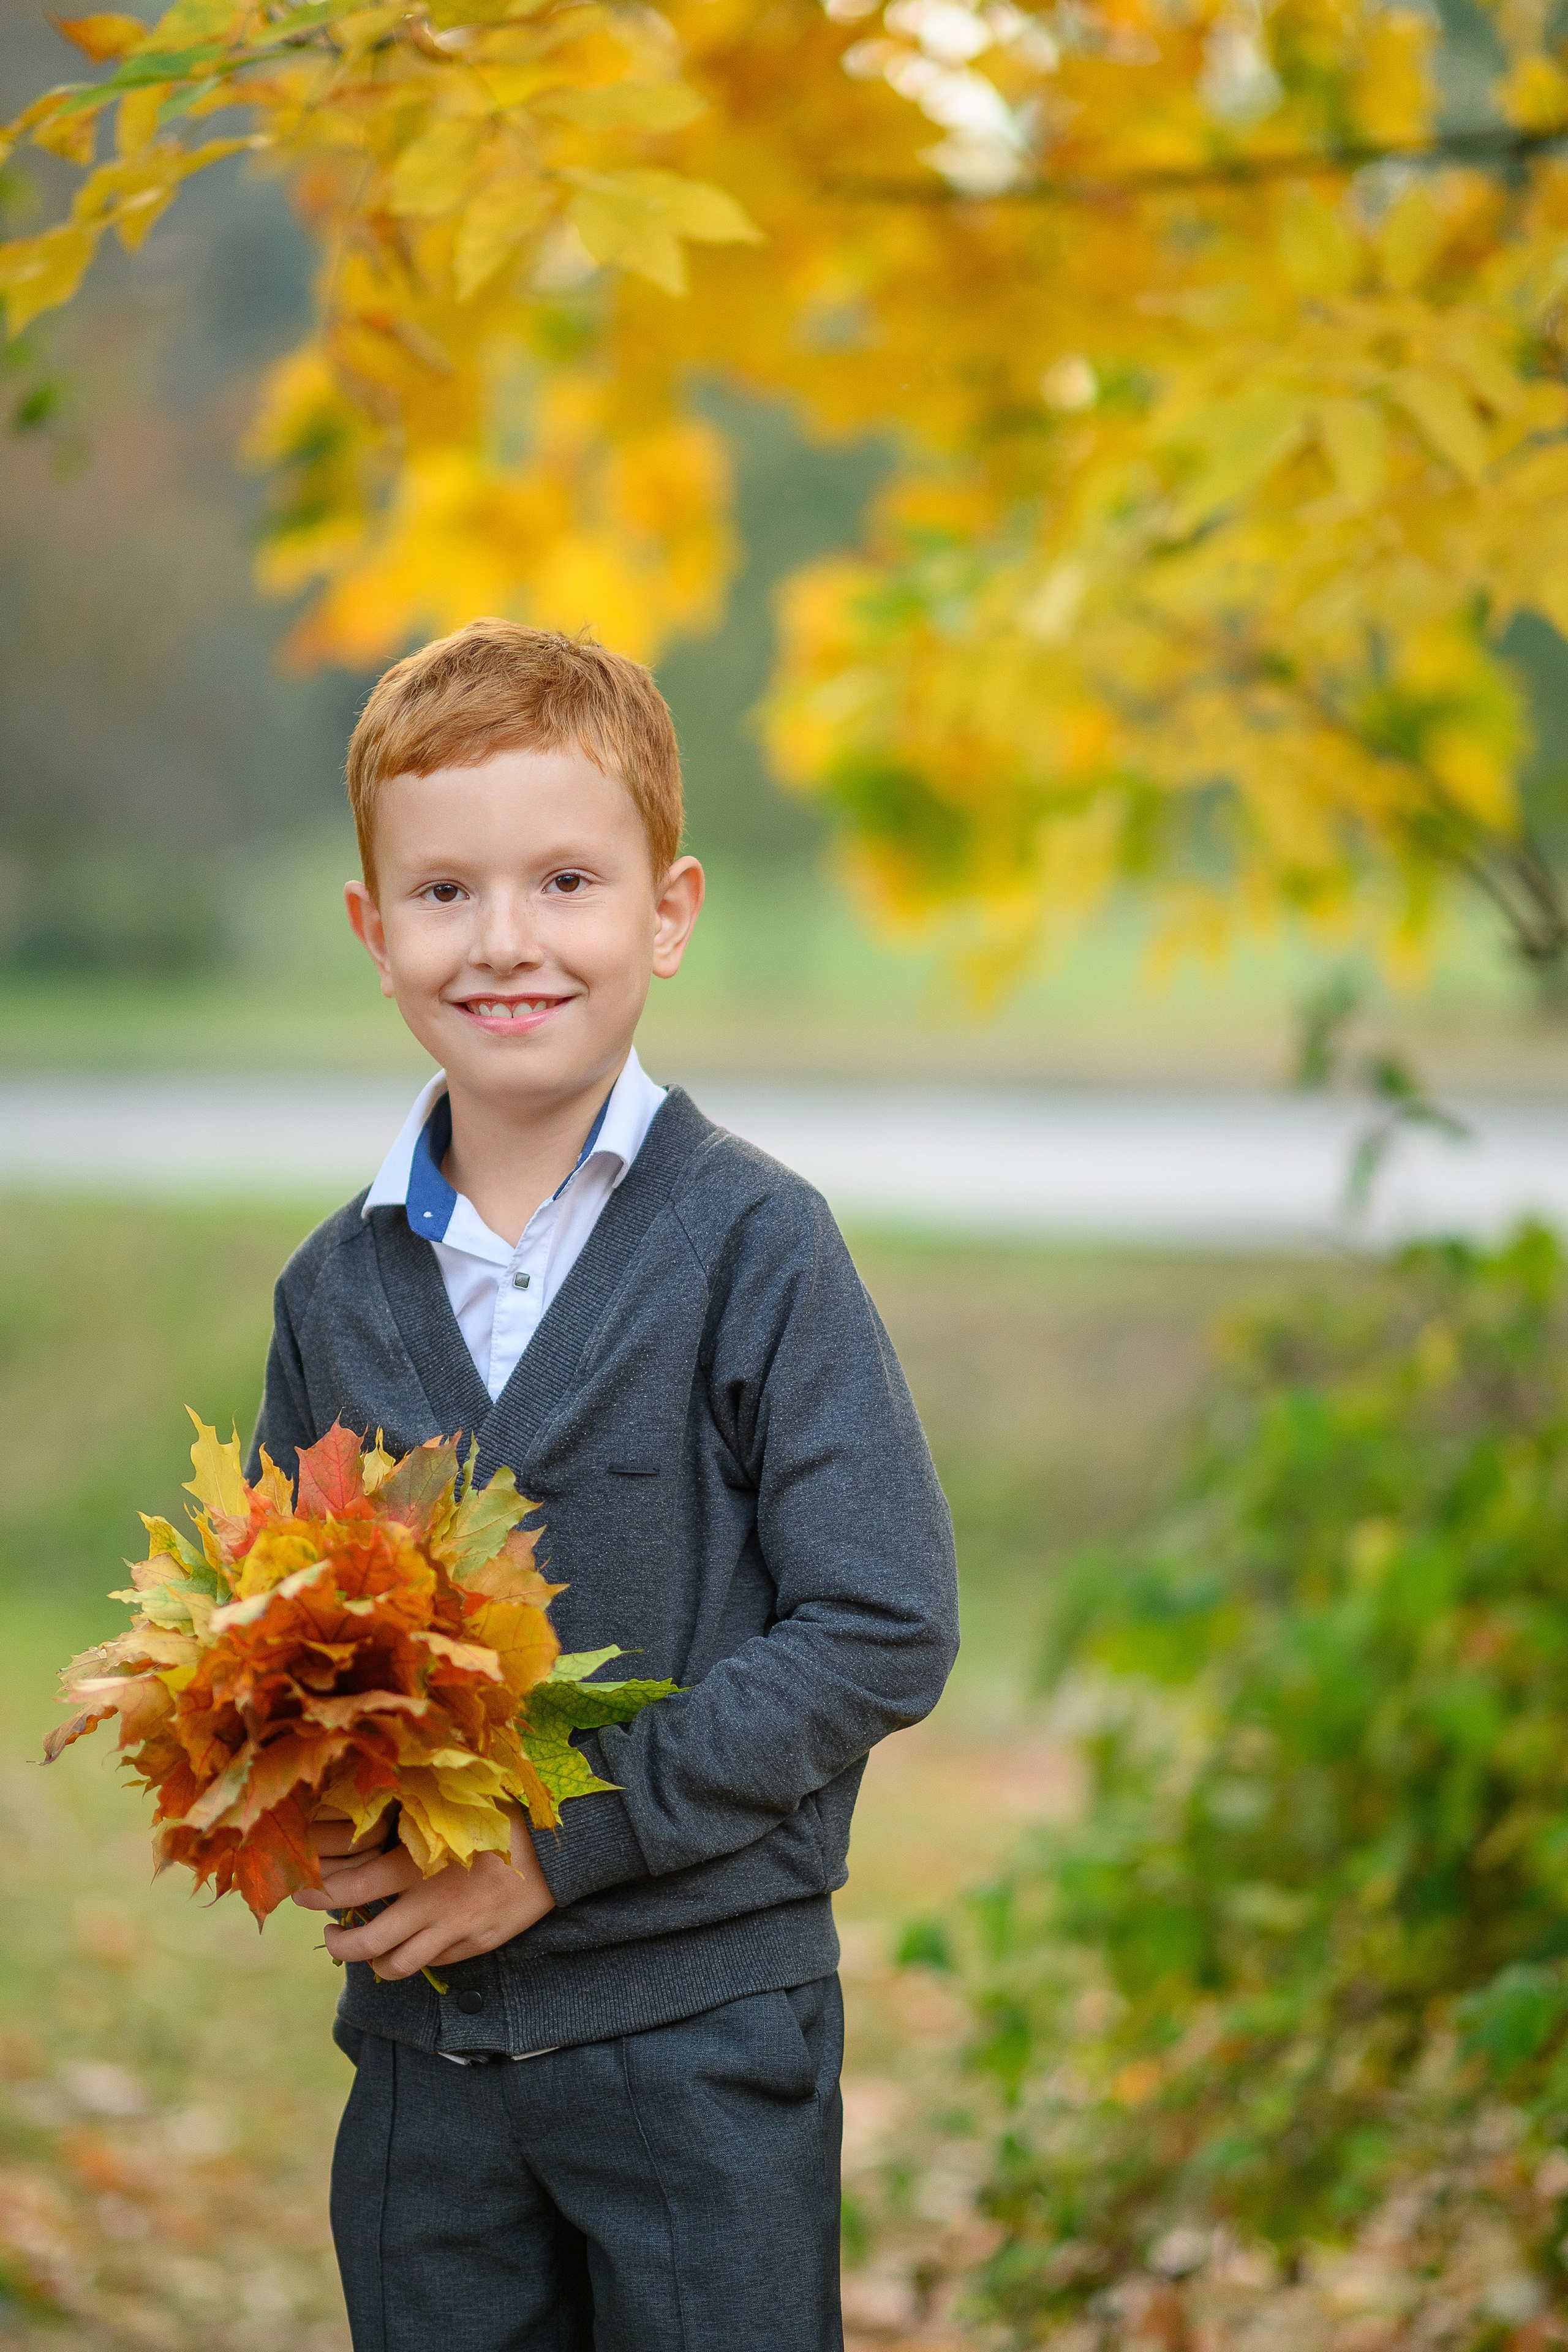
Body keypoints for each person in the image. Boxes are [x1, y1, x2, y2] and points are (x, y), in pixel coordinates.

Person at [246, 617, 960, 2352]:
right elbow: (286, 1653)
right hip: (427, 2067)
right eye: (444, 893)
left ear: (669, 911)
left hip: (701, 2042)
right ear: (371, 928)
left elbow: (884, 1624)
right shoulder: (334, 1293)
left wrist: (560, 1853)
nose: (506, 942)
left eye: (566, 882)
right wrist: (311, 1798)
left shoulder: (752, 1247)